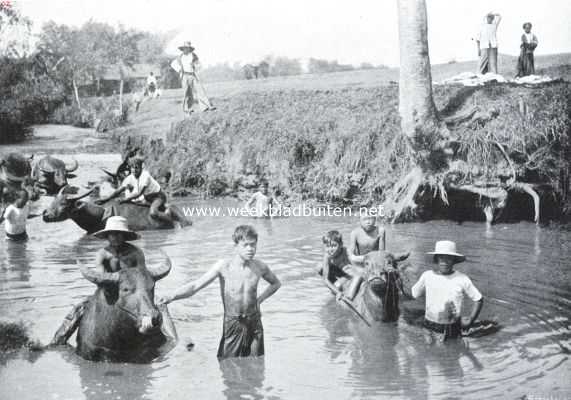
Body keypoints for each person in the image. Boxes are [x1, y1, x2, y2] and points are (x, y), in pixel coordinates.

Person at [159, 225, 281, 359]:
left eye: (253, 245)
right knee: (227, 364)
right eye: (245, 245)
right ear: (235, 246)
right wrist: (172, 295)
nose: (250, 249)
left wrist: (260, 300)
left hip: (254, 322)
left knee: (257, 363)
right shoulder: (224, 266)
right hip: (233, 322)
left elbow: (276, 284)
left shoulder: (260, 266)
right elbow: (195, 286)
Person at [50, 216, 145, 345]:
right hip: (108, 292)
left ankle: (168, 340)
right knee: (80, 308)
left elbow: (143, 277)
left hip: (132, 294)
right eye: (112, 234)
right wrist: (111, 285)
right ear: (107, 236)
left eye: (119, 234)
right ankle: (57, 342)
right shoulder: (103, 254)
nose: (115, 237)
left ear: (125, 235)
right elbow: (101, 278)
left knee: (154, 311)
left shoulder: (136, 253)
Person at [410, 241, 484, 341]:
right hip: (429, 327)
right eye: (441, 257)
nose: (444, 262)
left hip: (452, 329)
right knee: (428, 352)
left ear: (454, 260)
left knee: (451, 354)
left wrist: (471, 320)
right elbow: (413, 294)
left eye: (449, 258)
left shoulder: (462, 279)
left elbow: (479, 299)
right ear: (436, 259)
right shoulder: (427, 276)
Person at [96, 157, 172, 223]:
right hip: (147, 198)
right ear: (130, 168)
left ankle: (172, 221)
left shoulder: (145, 176)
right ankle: (164, 208)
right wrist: (106, 199)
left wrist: (125, 199)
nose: (134, 170)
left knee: (153, 213)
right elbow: (118, 191)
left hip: (158, 197)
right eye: (132, 168)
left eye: (137, 168)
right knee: (134, 203)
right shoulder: (130, 178)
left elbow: (139, 193)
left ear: (141, 168)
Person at [318, 230, 363, 301]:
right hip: (340, 272)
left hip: (349, 274)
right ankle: (336, 287)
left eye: (334, 246)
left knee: (358, 275)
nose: (330, 249)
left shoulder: (347, 252)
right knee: (320, 267)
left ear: (341, 245)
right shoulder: (327, 256)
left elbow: (358, 270)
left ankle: (349, 297)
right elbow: (325, 279)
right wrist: (338, 292)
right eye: (327, 246)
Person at [170, 41, 213, 114]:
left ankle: (206, 106)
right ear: (183, 49)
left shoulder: (193, 56)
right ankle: (188, 109)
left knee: (200, 90)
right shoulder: (180, 57)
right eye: (184, 48)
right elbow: (173, 64)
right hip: (184, 76)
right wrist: (179, 70)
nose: (186, 50)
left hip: (193, 75)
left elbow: (199, 65)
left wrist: (196, 67)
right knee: (187, 93)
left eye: (187, 48)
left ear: (190, 49)